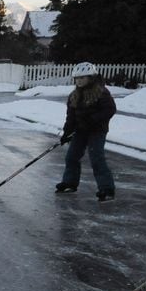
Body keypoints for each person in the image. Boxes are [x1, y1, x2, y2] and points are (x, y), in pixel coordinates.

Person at [55, 62, 116, 202]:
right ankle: (70, 183)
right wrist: (66, 133)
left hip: (97, 131)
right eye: (77, 78)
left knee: (96, 158)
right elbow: (71, 117)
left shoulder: (101, 92)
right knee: (71, 157)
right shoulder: (74, 95)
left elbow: (109, 110)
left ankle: (107, 189)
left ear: (91, 78)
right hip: (80, 131)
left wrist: (92, 120)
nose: (79, 81)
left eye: (83, 78)